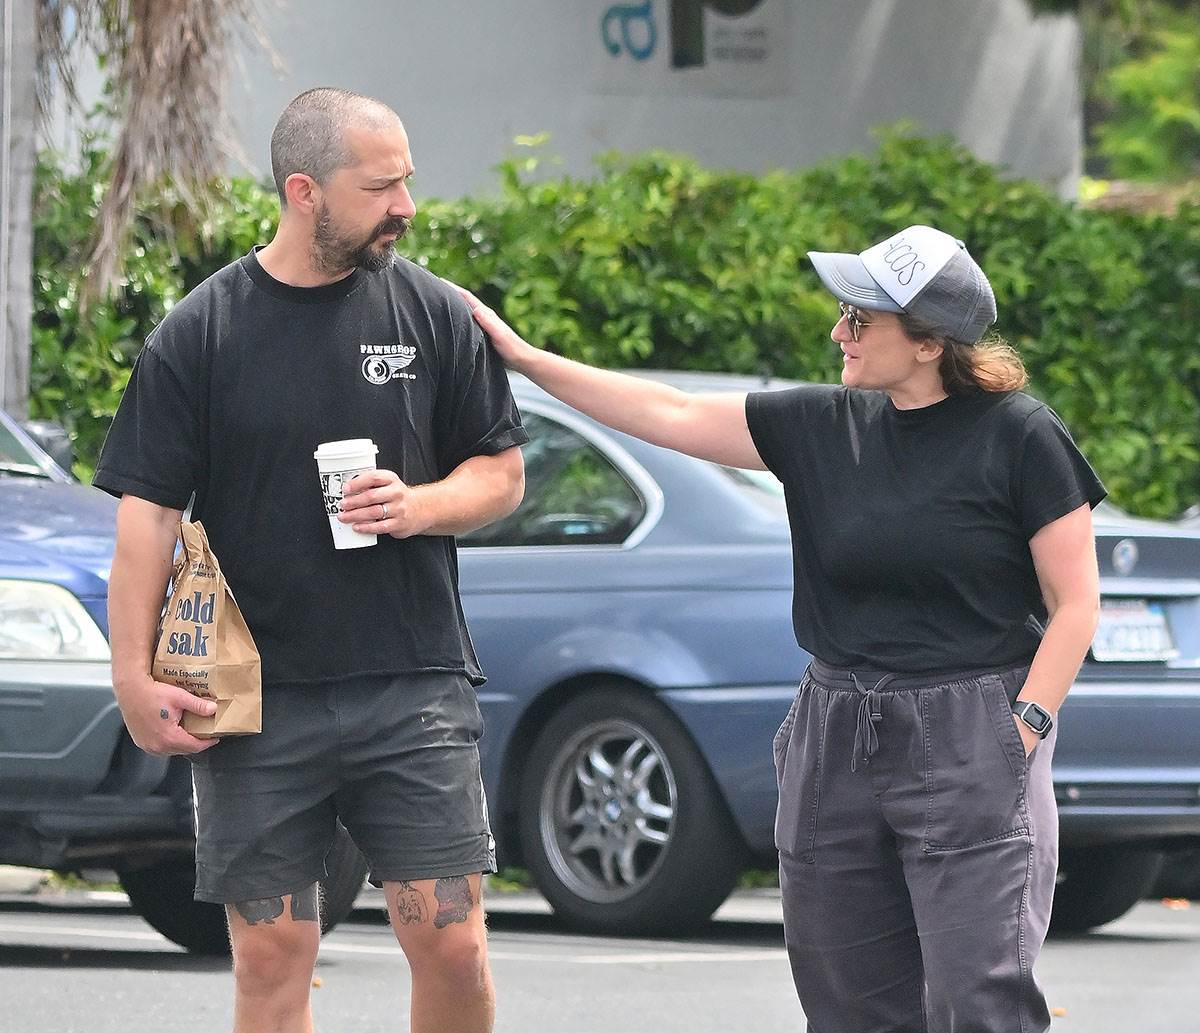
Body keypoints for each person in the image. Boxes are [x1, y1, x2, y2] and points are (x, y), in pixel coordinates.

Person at [451, 224, 1104, 1033]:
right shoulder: (823, 426)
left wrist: (1022, 728)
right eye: (842, 313)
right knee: (847, 1003)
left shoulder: (1019, 435)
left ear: (931, 341)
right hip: (836, 730)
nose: (840, 332)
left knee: (980, 1000)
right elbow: (671, 410)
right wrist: (526, 358)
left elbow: (1076, 601)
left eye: (861, 319)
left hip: (969, 726)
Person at [95, 88, 527, 1033]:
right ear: (305, 191)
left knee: (453, 943)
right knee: (271, 955)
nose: (407, 205)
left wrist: (419, 506)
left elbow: (501, 474)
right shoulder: (201, 334)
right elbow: (148, 516)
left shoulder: (432, 314)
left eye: (407, 180)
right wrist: (132, 675)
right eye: (382, 187)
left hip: (412, 687)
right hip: (255, 704)